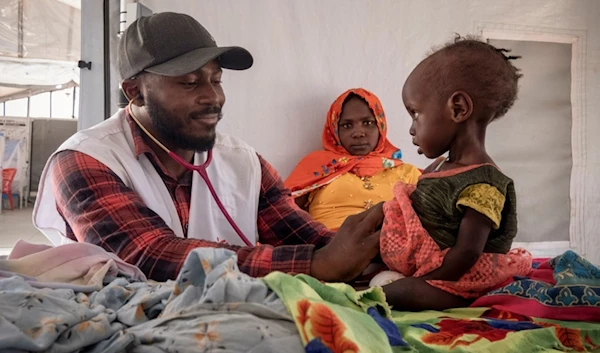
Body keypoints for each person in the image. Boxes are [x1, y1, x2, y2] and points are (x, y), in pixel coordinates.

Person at [33, 12, 383, 283]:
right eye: (189, 83)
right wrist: (316, 265)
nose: (213, 97)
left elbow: (307, 236)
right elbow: (146, 256)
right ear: (134, 91)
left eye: (216, 79)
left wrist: (378, 250)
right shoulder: (86, 160)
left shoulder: (245, 162)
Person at [378, 36, 533, 311]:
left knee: (402, 292)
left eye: (415, 114)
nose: (412, 129)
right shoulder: (439, 166)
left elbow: (467, 253)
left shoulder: (484, 183)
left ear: (458, 109)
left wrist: (426, 281)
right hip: (428, 262)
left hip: (461, 277)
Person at [285, 88, 421, 231]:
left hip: (394, 248)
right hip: (330, 249)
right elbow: (281, 215)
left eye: (368, 123)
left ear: (380, 125)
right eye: (347, 125)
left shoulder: (407, 173)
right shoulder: (317, 167)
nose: (358, 133)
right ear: (334, 130)